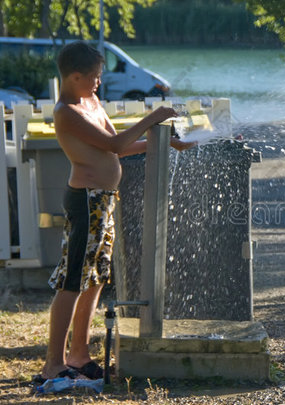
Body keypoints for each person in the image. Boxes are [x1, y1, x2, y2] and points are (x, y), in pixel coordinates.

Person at [36, 41, 195, 381]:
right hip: (86, 201)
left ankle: (79, 355)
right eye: (93, 77)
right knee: (72, 282)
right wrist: (154, 117)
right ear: (74, 76)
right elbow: (114, 144)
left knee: (94, 281)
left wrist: (165, 141)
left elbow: (117, 150)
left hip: (105, 200)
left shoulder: (92, 101)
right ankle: (54, 364)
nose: (98, 82)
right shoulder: (66, 111)